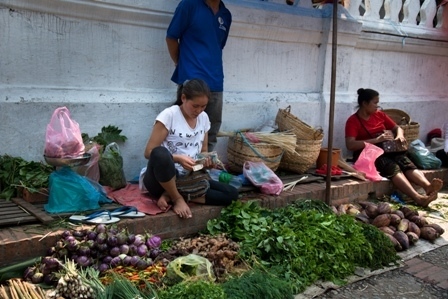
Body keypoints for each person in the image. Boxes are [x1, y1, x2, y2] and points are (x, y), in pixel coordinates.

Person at [142, 79, 238, 219]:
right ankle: (177, 198)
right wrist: (177, 159)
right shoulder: (169, 115)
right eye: (195, 106)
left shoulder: (204, 118)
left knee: (232, 194)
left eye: (203, 106)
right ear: (183, 98)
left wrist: (206, 161)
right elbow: (149, 152)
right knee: (161, 154)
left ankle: (171, 194)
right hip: (162, 178)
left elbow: (202, 152)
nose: (198, 111)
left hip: (190, 177)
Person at [345, 88, 443, 207]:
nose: (377, 106)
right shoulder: (353, 121)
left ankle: (428, 187)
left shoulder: (379, 115)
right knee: (392, 167)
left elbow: (397, 128)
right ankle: (418, 198)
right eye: (375, 103)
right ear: (364, 103)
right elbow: (350, 144)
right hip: (368, 155)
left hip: (388, 149)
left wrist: (400, 136)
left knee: (405, 162)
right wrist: (376, 140)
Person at [166, 0, 232, 151]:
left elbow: (218, 45)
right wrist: (180, 63)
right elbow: (171, 37)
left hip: (215, 81)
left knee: (211, 131)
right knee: (182, 129)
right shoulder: (189, 5)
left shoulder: (226, 15)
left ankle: (204, 170)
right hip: (191, 79)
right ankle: (180, 168)